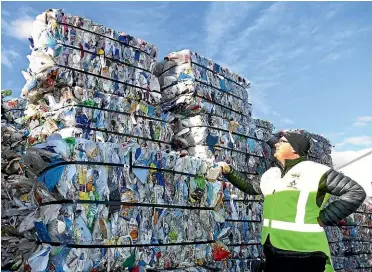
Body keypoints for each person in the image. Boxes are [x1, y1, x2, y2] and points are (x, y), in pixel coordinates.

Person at [216, 130, 366, 272]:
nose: (276, 144)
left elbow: (355, 192)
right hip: (273, 249)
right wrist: (230, 171)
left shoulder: (316, 171)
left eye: (282, 141)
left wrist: (325, 218)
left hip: (305, 253)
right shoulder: (272, 174)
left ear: (295, 148)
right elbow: (251, 187)